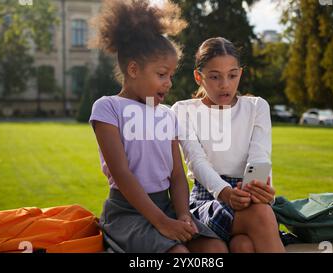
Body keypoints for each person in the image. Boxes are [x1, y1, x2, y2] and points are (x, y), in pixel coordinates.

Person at [88, 0, 227, 253]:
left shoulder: (167, 115)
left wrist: (183, 215)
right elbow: (122, 174)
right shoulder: (107, 108)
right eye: (162, 74)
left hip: (167, 207)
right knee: (178, 254)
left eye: (171, 76)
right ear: (133, 69)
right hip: (127, 212)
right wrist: (162, 223)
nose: (169, 83)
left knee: (215, 249)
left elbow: (176, 175)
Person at [171, 37, 286, 253]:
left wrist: (258, 189)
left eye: (232, 75)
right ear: (198, 77)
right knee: (260, 215)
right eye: (215, 77)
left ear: (240, 74)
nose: (225, 84)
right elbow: (196, 162)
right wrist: (226, 193)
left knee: (243, 246)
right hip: (207, 198)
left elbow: (260, 157)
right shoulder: (183, 110)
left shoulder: (257, 107)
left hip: (247, 194)